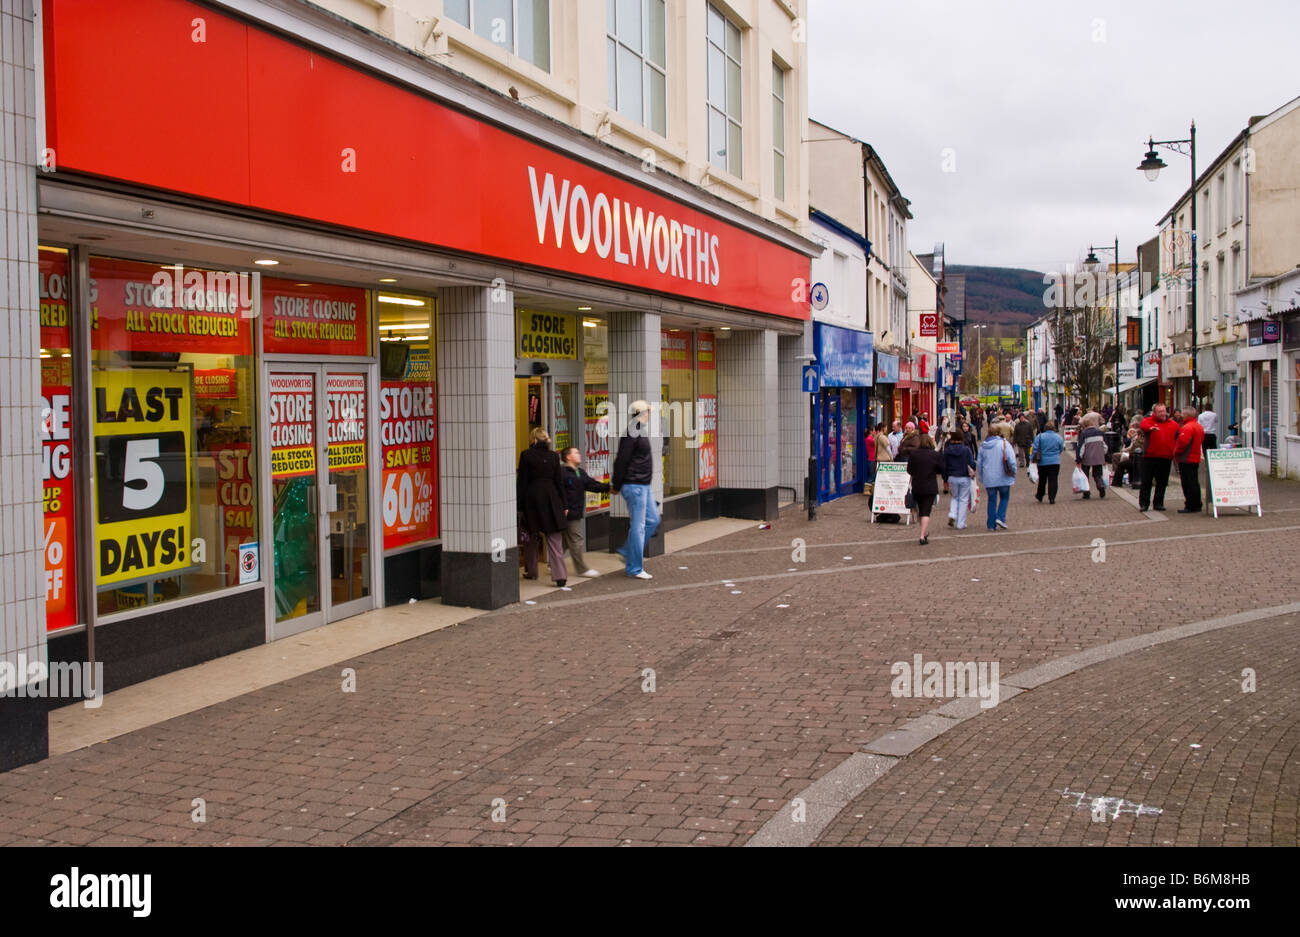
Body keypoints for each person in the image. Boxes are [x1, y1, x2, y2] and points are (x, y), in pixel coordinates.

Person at [611, 400, 660, 580]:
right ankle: (634, 567)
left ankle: (627, 552)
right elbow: (621, 460)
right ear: (641, 413)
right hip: (635, 485)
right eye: (647, 411)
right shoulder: (632, 432)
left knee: (653, 520)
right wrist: (617, 485)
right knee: (639, 526)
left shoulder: (637, 430)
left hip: (642, 485)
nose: (649, 414)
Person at [517, 427, 569, 587]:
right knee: (554, 539)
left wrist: (519, 506)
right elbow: (559, 482)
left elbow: (522, 482)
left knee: (531, 538)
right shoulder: (554, 456)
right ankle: (560, 576)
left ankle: (531, 572)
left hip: (532, 499)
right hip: (551, 499)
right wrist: (564, 504)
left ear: (533, 439)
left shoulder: (526, 455)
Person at [559, 446, 611, 577]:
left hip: (575, 511)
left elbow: (592, 484)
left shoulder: (579, 472)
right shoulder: (562, 473)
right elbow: (558, 493)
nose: (579, 454)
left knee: (565, 541)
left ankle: (552, 564)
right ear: (568, 457)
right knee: (576, 540)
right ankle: (582, 569)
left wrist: (609, 488)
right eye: (576, 453)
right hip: (568, 513)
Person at [906, 433, 946, 545]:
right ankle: (922, 536)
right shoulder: (935, 455)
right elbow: (942, 469)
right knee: (926, 511)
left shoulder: (914, 454)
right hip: (930, 486)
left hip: (917, 486)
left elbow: (909, 470)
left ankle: (924, 531)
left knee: (920, 511)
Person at [1138, 403, 1179, 512]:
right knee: (1146, 481)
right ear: (1154, 413)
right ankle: (1144, 504)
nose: (1162, 413)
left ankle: (1158, 503)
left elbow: (1178, 435)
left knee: (1162, 482)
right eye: (1160, 411)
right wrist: (1151, 428)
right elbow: (1143, 425)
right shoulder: (1148, 421)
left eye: (1164, 411)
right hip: (1150, 457)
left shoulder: (1173, 424)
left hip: (1166, 457)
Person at [977, 422, 1017, 530]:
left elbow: (979, 464)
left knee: (991, 500)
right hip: (1003, 476)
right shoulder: (1004, 444)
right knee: (1004, 497)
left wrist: (981, 477)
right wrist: (1014, 472)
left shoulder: (983, 446)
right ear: (999, 433)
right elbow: (1012, 460)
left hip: (989, 478)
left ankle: (991, 525)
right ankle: (1000, 517)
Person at [943, 428, 977, 530]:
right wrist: (972, 470)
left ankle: (952, 514)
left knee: (954, 497)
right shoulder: (966, 450)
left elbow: (944, 465)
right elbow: (972, 463)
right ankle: (960, 523)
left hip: (952, 476)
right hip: (964, 476)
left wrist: (945, 478)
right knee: (963, 500)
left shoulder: (947, 451)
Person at [1174, 405, 1206, 513]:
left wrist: (1176, 452)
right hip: (1195, 457)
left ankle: (1190, 505)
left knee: (1188, 483)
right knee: (1194, 482)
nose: (1181, 416)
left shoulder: (1187, 427)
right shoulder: (1198, 426)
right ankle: (1197, 504)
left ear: (1187, 415)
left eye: (1183, 414)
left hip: (1186, 458)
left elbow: (1182, 442)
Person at [1031, 419, 1064, 504]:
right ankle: (1052, 497)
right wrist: (1056, 454)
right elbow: (1061, 448)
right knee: (1053, 479)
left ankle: (1040, 495)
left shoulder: (1040, 437)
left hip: (1042, 462)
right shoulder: (1058, 437)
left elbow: (1035, 449)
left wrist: (1032, 459)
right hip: (1055, 461)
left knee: (1042, 479)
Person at [1076, 416, 1108, 499]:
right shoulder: (1100, 432)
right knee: (1098, 474)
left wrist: (1079, 459)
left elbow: (1081, 448)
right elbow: (1105, 446)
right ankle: (1101, 486)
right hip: (1098, 457)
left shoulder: (1084, 434)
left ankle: (1086, 493)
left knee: (1085, 475)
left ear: (1084, 426)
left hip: (1087, 457)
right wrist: (1103, 455)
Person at [1111, 416, 1145, 488]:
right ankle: (1128, 480)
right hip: (1134, 458)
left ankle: (1117, 482)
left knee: (1121, 465)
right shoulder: (1139, 439)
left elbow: (1134, 449)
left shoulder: (1140, 440)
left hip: (1137, 460)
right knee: (1122, 462)